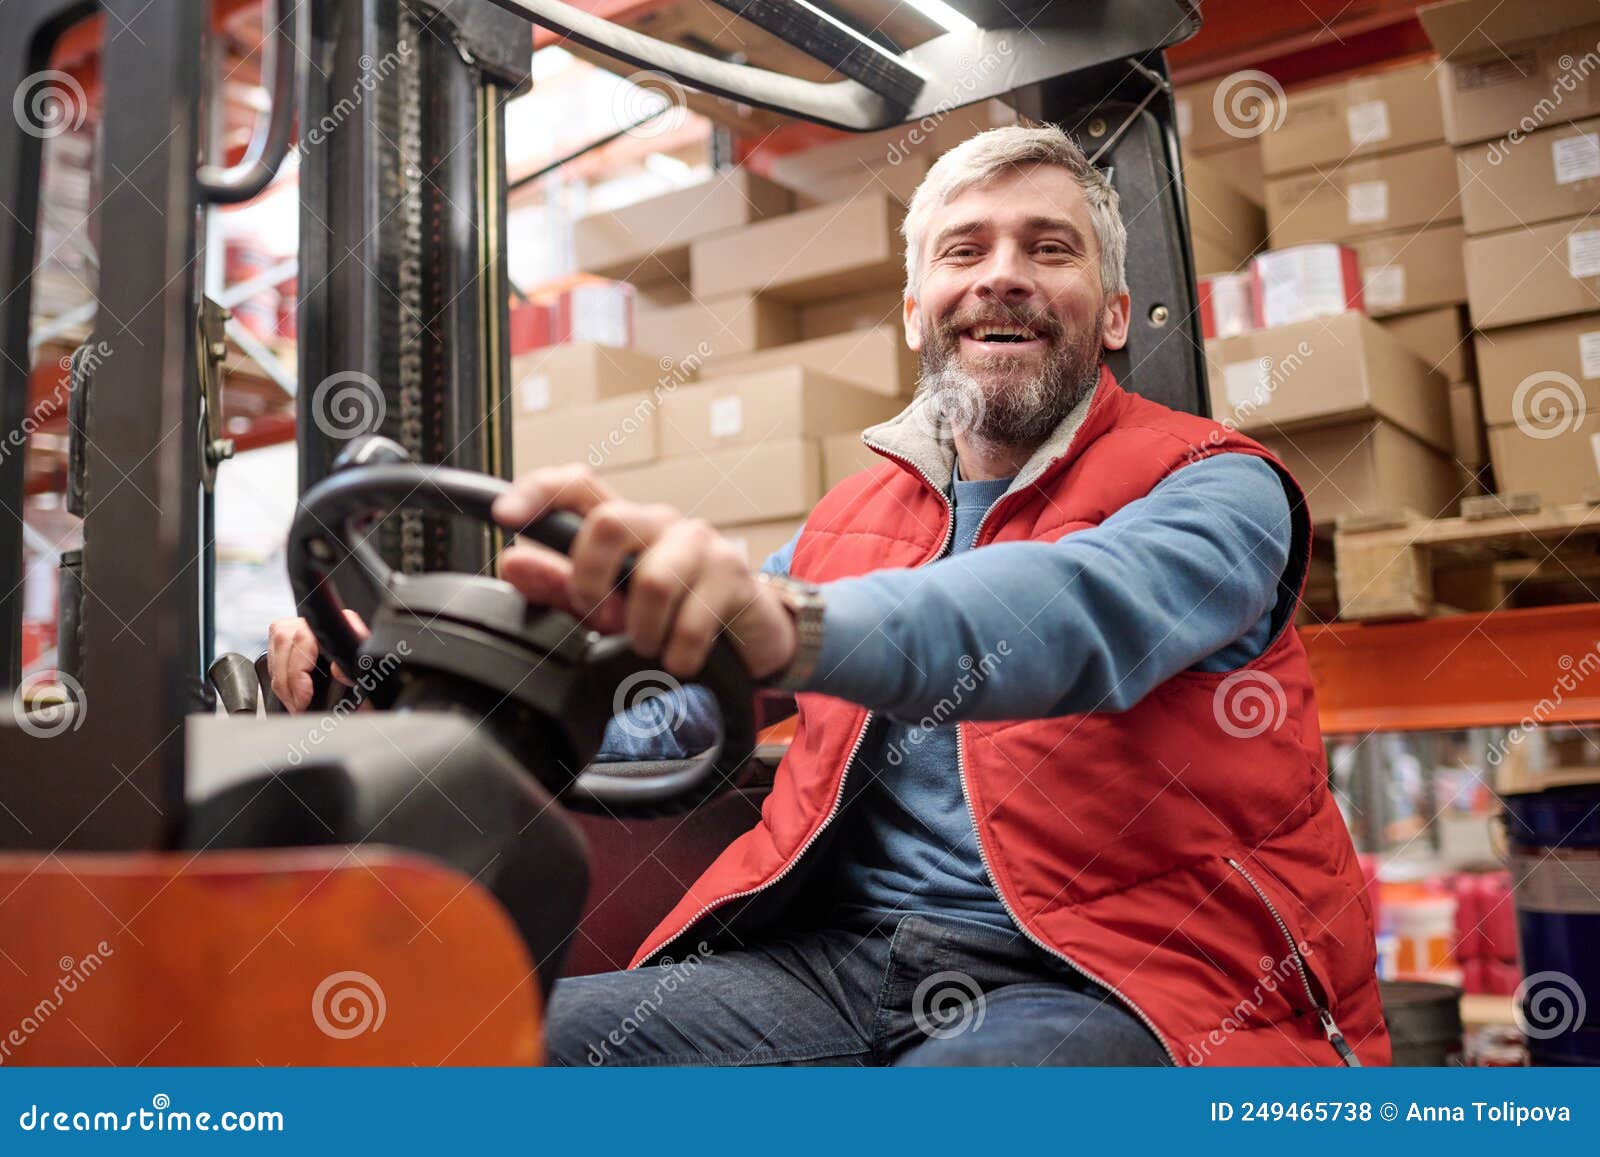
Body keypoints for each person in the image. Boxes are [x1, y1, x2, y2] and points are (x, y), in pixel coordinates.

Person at [269, 124, 1389, 1067]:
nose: (1002, 271)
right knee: (488, 1049)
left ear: (1108, 314)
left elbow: (1062, 614)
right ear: (917, 308)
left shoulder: (1219, 488)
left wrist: (789, 625)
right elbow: (672, 706)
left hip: (1116, 969)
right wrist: (411, 687)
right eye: (966, 249)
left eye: (1049, 249)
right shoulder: (849, 516)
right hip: (835, 956)